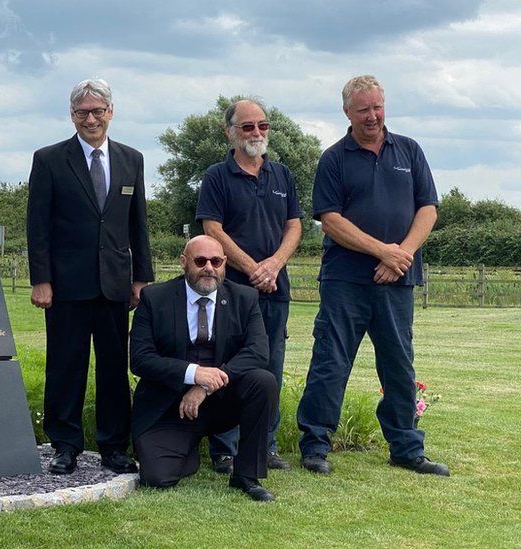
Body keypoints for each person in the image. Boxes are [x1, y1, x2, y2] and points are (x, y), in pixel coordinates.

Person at [296, 75, 448, 476]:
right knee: (331, 361)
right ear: (346, 112)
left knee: (399, 364)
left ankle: (406, 448)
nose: (372, 116)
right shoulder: (334, 158)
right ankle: (315, 445)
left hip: (398, 280)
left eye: (377, 107)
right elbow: (330, 220)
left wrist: (402, 255)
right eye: (363, 109)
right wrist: (382, 250)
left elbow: (428, 208)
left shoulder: (410, 150)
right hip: (345, 280)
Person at [26, 78, 154, 475]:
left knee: (115, 367)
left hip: (115, 283)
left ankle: (114, 446)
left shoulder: (132, 159)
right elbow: (38, 225)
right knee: (66, 365)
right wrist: (41, 279)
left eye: (98, 111)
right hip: (65, 284)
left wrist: (141, 278)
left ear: (111, 112)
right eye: (83, 112)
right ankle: (64, 445)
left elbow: (139, 225)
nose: (91, 119)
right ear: (72, 116)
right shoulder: (49, 159)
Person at [196, 99, 302, 474]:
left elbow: (295, 225)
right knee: (225, 364)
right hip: (230, 290)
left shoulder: (282, 175)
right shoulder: (216, 176)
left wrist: (273, 265)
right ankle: (224, 449)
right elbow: (212, 229)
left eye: (262, 125)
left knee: (271, 366)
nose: (256, 133)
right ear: (230, 132)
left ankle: (264, 447)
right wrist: (252, 267)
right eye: (247, 127)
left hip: (275, 289)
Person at [130, 235, 278, 501]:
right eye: (200, 261)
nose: (209, 267)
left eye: (216, 261)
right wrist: (193, 373)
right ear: (184, 263)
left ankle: (247, 475)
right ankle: (188, 448)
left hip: (221, 401)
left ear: (224, 263)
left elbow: (258, 352)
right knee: (158, 477)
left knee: (263, 381)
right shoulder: (154, 298)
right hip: (171, 406)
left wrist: (205, 386)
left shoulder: (244, 297)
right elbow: (140, 359)